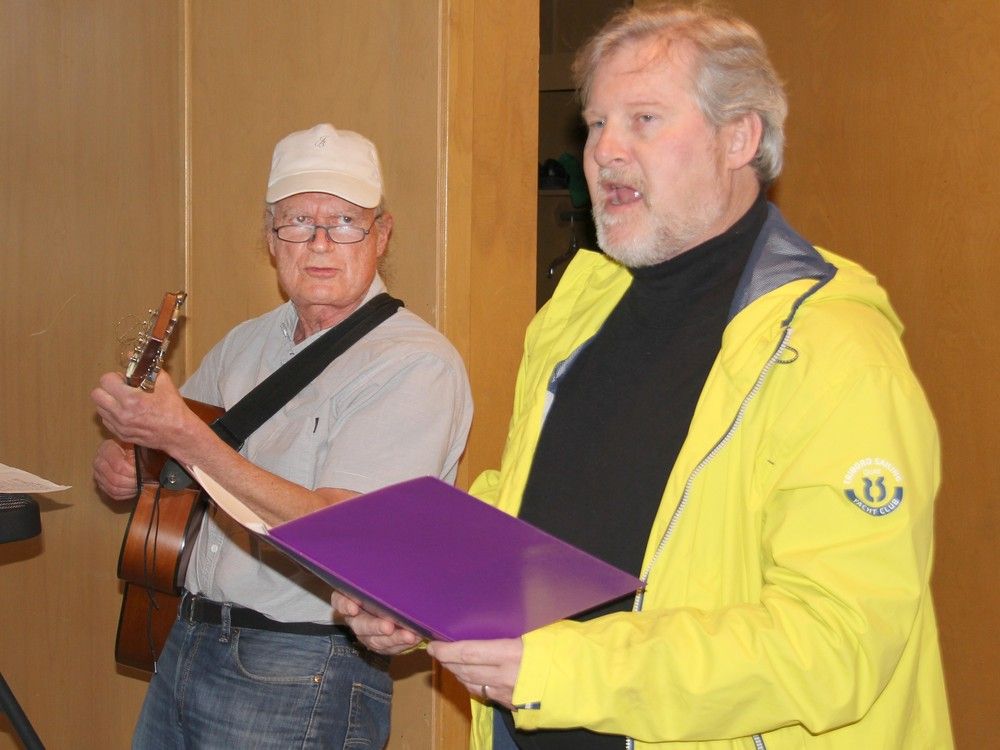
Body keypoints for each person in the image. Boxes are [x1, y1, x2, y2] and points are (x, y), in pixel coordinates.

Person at [334, 4, 954, 749]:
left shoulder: (835, 351)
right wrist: (422, 591)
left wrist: (564, 670)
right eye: (597, 123)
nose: (604, 150)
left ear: (739, 137)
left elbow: (836, 640)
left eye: (645, 119)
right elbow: (526, 517)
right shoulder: (579, 313)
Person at [92, 122, 473, 748]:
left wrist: (185, 439)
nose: (320, 243)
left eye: (344, 222)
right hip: (187, 637)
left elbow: (342, 533)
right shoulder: (244, 343)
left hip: (302, 667)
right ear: (271, 238)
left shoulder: (414, 363)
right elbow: (171, 455)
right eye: (297, 222)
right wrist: (129, 460)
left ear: (381, 235)